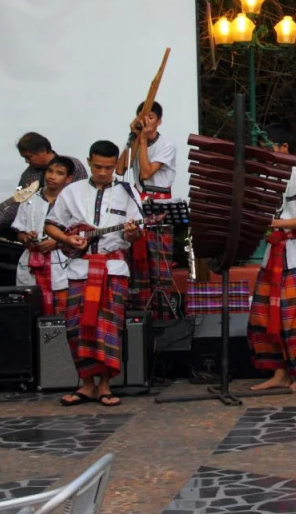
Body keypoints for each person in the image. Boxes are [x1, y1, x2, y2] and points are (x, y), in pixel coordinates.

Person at [45, 140, 143, 407]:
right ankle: (86, 384)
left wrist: (132, 233)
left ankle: (105, 386)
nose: (102, 172)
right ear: (89, 162)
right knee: (77, 327)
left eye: (108, 168)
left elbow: (134, 235)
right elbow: (51, 225)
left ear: (115, 165)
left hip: (113, 269)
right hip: (80, 269)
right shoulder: (71, 191)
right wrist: (67, 239)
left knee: (109, 327)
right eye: (98, 166)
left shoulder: (128, 192)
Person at [247, 123, 296, 393]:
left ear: (284, 148)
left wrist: (271, 222)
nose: (264, 154)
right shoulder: (267, 176)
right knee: (263, 313)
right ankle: (279, 372)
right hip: (274, 253)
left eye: (268, 149)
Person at [115, 101, 178, 317]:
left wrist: (142, 140)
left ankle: (162, 314)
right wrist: (133, 138)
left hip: (158, 205)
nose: (146, 121)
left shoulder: (166, 145)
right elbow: (119, 169)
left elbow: (146, 172)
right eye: (142, 116)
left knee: (158, 263)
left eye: (150, 117)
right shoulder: (135, 141)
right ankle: (140, 311)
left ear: (159, 121)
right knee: (137, 261)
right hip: (138, 204)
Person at [11, 156, 73, 315]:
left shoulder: (72, 201)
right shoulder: (30, 199)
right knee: (30, 314)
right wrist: (26, 238)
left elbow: (80, 232)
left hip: (61, 261)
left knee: (62, 314)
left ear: (69, 179)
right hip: (32, 262)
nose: (52, 176)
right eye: (50, 171)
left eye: (59, 173)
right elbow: (19, 232)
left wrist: (57, 241)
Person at [15, 132, 88, 189]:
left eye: (29, 157)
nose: (27, 161)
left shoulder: (74, 165)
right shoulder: (28, 175)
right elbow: (19, 200)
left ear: (43, 151)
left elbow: (84, 193)